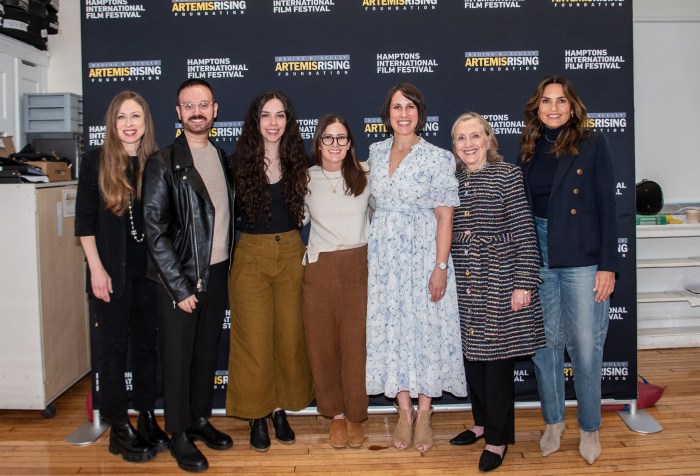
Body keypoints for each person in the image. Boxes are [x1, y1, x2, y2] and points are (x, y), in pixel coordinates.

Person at [518, 75, 618, 465]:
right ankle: (554, 422)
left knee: (586, 349)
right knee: (544, 347)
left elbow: (608, 208)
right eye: (546, 101)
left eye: (561, 101)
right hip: (538, 254)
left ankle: (590, 428)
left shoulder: (592, 143)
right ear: (536, 107)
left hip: (580, 256)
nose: (554, 108)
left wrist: (607, 266)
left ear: (573, 106)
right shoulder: (529, 147)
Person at [365, 83, 467, 453]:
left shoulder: (438, 157)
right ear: (387, 114)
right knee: (393, 329)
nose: (403, 114)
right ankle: (403, 410)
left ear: (420, 113)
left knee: (426, 330)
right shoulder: (375, 152)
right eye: (396, 107)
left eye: (410, 107)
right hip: (385, 261)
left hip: (425, 254)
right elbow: (373, 206)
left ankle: (425, 412)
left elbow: (445, 217)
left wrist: (440, 266)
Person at [142, 79, 235, 473]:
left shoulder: (221, 156)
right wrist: (179, 287)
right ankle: (178, 432)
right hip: (177, 279)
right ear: (178, 114)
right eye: (188, 105)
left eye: (204, 104)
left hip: (215, 274)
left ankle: (199, 419)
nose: (197, 111)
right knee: (178, 359)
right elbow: (154, 229)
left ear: (215, 110)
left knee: (204, 354)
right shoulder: (163, 163)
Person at [447, 112, 546, 472]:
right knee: (473, 359)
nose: (469, 144)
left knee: (497, 363)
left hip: (500, 280)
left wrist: (523, 283)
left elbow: (524, 231)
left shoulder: (507, 175)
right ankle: (481, 423)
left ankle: (498, 439)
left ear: (488, 140)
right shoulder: (451, 179)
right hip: (464, 283)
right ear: (454, 146)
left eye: (475, 136)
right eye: (461, 138)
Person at [75, 90, 168, 463]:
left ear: (146, 123)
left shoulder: (156, 163)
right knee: (113, 351)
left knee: (147, 348)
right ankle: (118, 426)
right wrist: (96, 270)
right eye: (122, 118)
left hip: (148, 274)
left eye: (136, 117)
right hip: (110, 274)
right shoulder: (96, 161)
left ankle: (146, 415)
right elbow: (84, 224)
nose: (129, 125)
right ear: (112, 124)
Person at [226, 91, 314, 452]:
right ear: (255, 121)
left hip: (292, 252)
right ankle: (257, 415)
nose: (273, 123)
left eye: (280, 116)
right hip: (250, 255)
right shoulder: (236, 164)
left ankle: (280, 409)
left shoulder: (302, 162)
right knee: (253, 341)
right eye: (266, 115)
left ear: (288, 122)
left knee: (290, 336)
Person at [303, 114, 371, 449]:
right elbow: (296, 218)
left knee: (355, 345)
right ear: (318, 143)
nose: (335, 145)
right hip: (319, 267)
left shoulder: (365, 174)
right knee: (322, 345)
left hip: (358, 264)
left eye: (341, 138)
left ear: (350, 143)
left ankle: (356, 414)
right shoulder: (306, 178)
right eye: (328, 138)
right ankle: (335, 415)